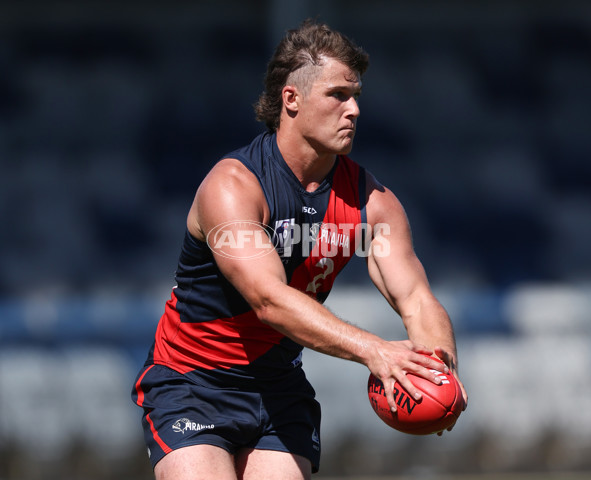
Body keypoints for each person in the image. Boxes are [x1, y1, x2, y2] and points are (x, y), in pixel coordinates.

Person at [131, 19, 467, 480]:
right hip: (193, 381)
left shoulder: (372, 203)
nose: (354, 111)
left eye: (356, 97)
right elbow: (268, 300)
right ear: (291, 99)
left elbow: (414, 297)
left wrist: (438, 371)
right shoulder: (233, 187)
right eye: (338, 95)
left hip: (280, 389)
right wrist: (375, 350)